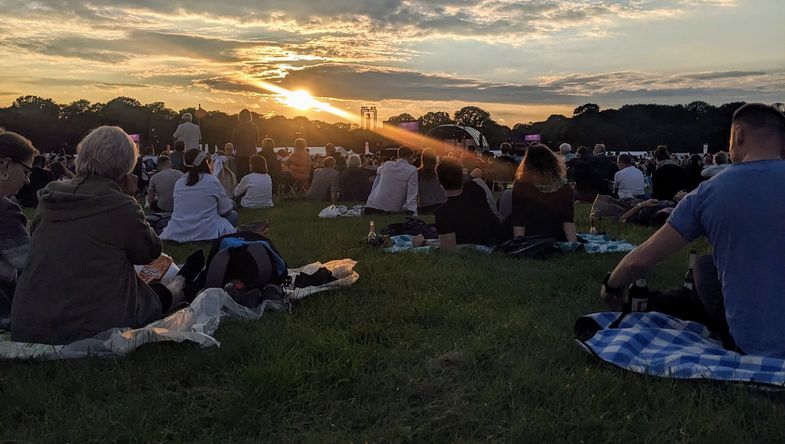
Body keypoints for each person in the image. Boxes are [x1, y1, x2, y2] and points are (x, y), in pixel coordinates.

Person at [601, 103, 785, 357]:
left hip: (755, 344)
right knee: (709, 267)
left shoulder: (711, 192)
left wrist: (611, 285)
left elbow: (641, 260)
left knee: (704, 269)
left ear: (739, 135)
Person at [11, 126, 196, 344]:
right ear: (126, 165)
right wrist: (128, 199)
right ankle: (181, 283)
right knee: (167, 290)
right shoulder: (120, 205)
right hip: (91, 326)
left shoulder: (50, 197)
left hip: (28, 322)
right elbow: (149, 252)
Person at [160, 149, 238, 242]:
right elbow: (226, 211)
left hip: (179, 229)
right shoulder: (212, 181)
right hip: (207, 230)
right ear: (204, 162)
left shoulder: (179, 182)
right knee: (234, 216)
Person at [0, 130, 37, 321]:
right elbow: (33, 267)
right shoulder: (5, 210)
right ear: (6, 164)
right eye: (26, 171)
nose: (27, 180)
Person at [511, 143, 577, 242]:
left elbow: (518, 218)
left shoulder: (521, 184)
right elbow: (568, 220)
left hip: (529, 234)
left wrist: (519, 242)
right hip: (555, 235)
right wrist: (573, 243)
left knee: (506, 195)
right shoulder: (564, 187)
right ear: (553, 162)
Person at [434, 158, 502, 251]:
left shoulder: (443, 213)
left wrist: (424, 242)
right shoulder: (476, 189)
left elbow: (448, 248)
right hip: (496, 238)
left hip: (476, 244)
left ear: (439, 182)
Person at [365, 145, 418, 215]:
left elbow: (378, 170)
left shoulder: (387, 165)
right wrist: (413, 211)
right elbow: (412, 194)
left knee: (379, 175)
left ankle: (373, 197)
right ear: (410, 156)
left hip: (372, 205)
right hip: (390, 209)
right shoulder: (412, 170)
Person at [231, 109, 259, 179]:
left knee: (241, 175)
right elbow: (257, 140)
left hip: (240, 154)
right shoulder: (255, 127)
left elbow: (234, 141)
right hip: (252, 154)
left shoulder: (238, 127)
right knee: (252, 175)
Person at [417, 148, 446, 214]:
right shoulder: (440, 171)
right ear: (435, 159)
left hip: (425, 207)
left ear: (422, 159)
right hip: (441, 205)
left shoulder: (418, 174)